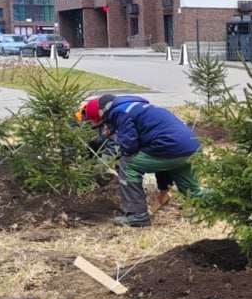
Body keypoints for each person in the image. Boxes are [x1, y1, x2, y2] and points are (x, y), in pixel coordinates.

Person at [84, 95, 203, 227]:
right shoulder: (137, 108)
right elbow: (157, 152)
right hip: (191, 148)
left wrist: (122, 151)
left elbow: (130, 146)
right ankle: (226, 198)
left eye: (100, 122)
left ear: (102, 113)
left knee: (127, 164)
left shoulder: (120, 112)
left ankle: (137, 215)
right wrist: (164, 188)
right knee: (193, 192)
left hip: (171, 148)